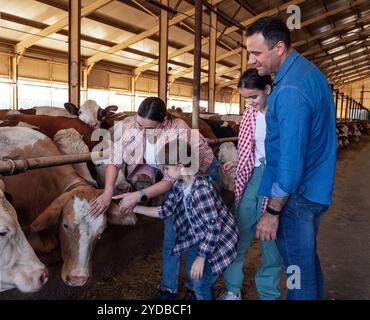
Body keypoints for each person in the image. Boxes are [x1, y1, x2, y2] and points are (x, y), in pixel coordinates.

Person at [89, 96, 221, 299]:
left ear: (163, 122)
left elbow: (170, 180)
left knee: (196, 233)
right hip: (174, 176)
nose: (142, 131)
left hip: (199, 176)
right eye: (140, 124)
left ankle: (195, 288)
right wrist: (107, 192)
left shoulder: (177, 130)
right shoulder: (134, 126)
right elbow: (115, 160)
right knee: (172, 232)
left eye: (148, 128)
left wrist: (138, 196)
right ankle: (168, 289)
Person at [245, 17, 337, 300]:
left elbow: (289, 161)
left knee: (296, 272)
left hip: (295, 198)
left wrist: (272, 212)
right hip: (313, 190)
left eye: (257, 53)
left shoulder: (288, 92)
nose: (251, 61)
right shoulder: (308, 74)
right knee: (306, 264)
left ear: (280, 47)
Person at [130, 141, 238, 300]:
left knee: (201, 283)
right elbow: (166, 210)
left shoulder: (201, 190)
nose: (164, 172)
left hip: (219, 242)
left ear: (179, 166)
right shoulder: (180, 185)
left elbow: (214, 229)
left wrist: (201, 258)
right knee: (199, 281)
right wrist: (134, 208)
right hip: (203, 238)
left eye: (166, 168)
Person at [218, 68, 282, 300]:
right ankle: (233, 289)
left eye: (253, 96)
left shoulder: (282, 112)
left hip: (277, 178)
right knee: (239, 232)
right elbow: (252, 147)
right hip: (253, 176)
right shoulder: (250, 115)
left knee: (271, 243)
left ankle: (269, 294)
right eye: (246, 98)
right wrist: (240, 160)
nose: (250, 102)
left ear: (268, 89)